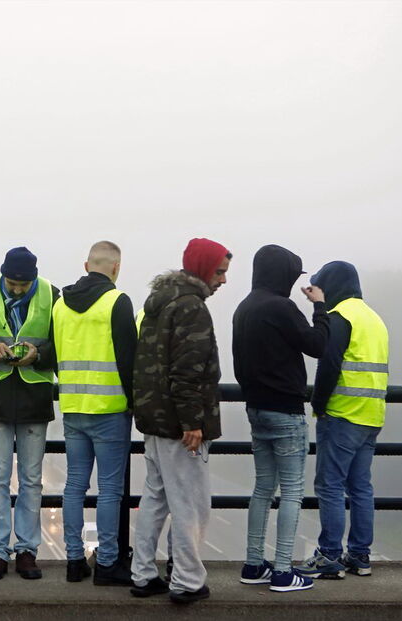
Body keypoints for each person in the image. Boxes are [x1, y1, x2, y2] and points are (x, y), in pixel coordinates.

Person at [129, 238, 231, 604]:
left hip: (154, 419)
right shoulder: (191, 308)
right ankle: (187, 580)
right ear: (203, 268)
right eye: (219, 271)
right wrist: (193, 422)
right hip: (179, 426)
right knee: (190, 502)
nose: (222, 280)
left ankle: (142, 574)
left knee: (155, 499)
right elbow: (187, 372)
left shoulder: (160, 303)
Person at [232, 244, 328, 593]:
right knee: (291, 493)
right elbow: (317, 345)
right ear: (284, 274)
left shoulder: (244, 307)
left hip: (255, 409)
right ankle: (285, 572)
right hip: (286, 411)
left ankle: (254, 564)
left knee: (262, 489)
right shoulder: (281, 307)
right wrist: (319, 306)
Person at [0, 246, 59, 580]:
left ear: (33, 278)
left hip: (34, 397)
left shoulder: (52, 295)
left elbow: (63, 341)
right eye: (12, 283)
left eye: (23, 285)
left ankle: (27, 551)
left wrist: (40, 353)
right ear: (3, 274)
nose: (17, 289)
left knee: (32, 480)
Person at [297, 261, 389, 579]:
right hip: (371, 415)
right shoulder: (374, 319)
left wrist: (318, 405)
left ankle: (330, 556)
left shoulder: (340, 317)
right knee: (361, 487)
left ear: (332, 285)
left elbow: (329, 362)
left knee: (330, 486)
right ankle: (360, 556)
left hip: (342, 413)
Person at [53, 241, 136, 586]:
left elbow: (57, 355)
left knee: (74, 485)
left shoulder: (60, 305)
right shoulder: (117, 302)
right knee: (110, 490)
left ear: (87, 265)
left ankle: (74, 560)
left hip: (73, 406)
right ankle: (106, 563)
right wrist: (134, 401)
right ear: (116, 268)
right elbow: (128, 358)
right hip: (111, 408)